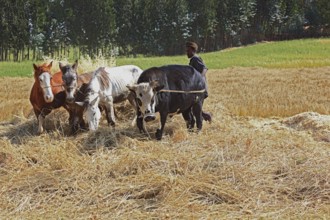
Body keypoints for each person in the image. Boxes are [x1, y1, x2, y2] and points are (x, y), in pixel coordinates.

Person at [186, 41, 212, 123]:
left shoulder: (195, 58)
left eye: (188, 51)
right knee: (195, 109)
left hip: (199, 89)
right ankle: (207, 116)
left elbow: (204, 68)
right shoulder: (193, 59)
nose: (186, 52)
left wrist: (199, 78)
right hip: (197, 88)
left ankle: (207, 117)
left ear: (192, 50)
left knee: (196, 110)